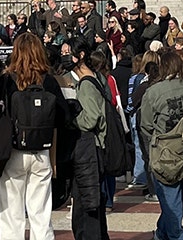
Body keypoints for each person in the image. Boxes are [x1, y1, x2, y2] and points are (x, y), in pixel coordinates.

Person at [0, 33, 67, 240]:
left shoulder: (7, 79)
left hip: (14, 149)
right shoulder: (49, 81)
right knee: (41, 212)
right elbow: (63, 116)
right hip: (42, 149)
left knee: (11, 213)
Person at [138, 49, 183, 240]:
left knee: (172, 204)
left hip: (166, 152)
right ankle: (167, 234)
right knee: (179, 201)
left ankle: (170, 235)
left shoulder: (153, 91)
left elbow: (145, 125)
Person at [65, 36, 112, 240]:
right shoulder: (99, 78)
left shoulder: (86, 83)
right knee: (93, 199)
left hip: (90, 148)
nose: (64, 55)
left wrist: (73, 121)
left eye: (68, 52)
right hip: (96, 147)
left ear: (80, 55)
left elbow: (90, 118)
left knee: (86, 200)